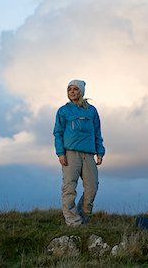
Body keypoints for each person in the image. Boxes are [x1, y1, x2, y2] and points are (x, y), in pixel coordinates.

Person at [53, 79, 105, 226]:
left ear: (81, 91)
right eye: (69, 89)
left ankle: (83, 217)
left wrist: (99, 152)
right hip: (70, 154)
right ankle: (73, 221)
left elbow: (97, 132)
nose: (72, 92)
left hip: (88, 154)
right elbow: (58, 133)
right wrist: (60, 153)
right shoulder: (63, 111)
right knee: (69, 188)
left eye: (75, 89)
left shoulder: (92, 110)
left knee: (92, 187)